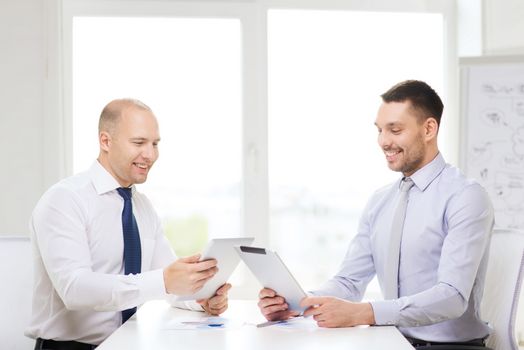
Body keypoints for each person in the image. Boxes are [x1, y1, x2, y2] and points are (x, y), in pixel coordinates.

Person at [257, 80, 494, 348]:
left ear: (429, 129)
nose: (383, 141)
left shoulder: (466, 196)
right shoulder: (381, 201)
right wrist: (300, 304)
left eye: (395, 130)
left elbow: (452, 297)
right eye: (380, 130)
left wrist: (364, 313)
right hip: (391, 341)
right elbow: (349, 282)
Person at [26, 99, 230, 350]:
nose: (151, 154)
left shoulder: (142, 207)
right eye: (139, 142)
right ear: (105, 141)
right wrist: (164, 281)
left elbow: (168, 284)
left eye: (155, 144)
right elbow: (75, 289)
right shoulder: (65, 200)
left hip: (130, 344)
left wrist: (199, 300)